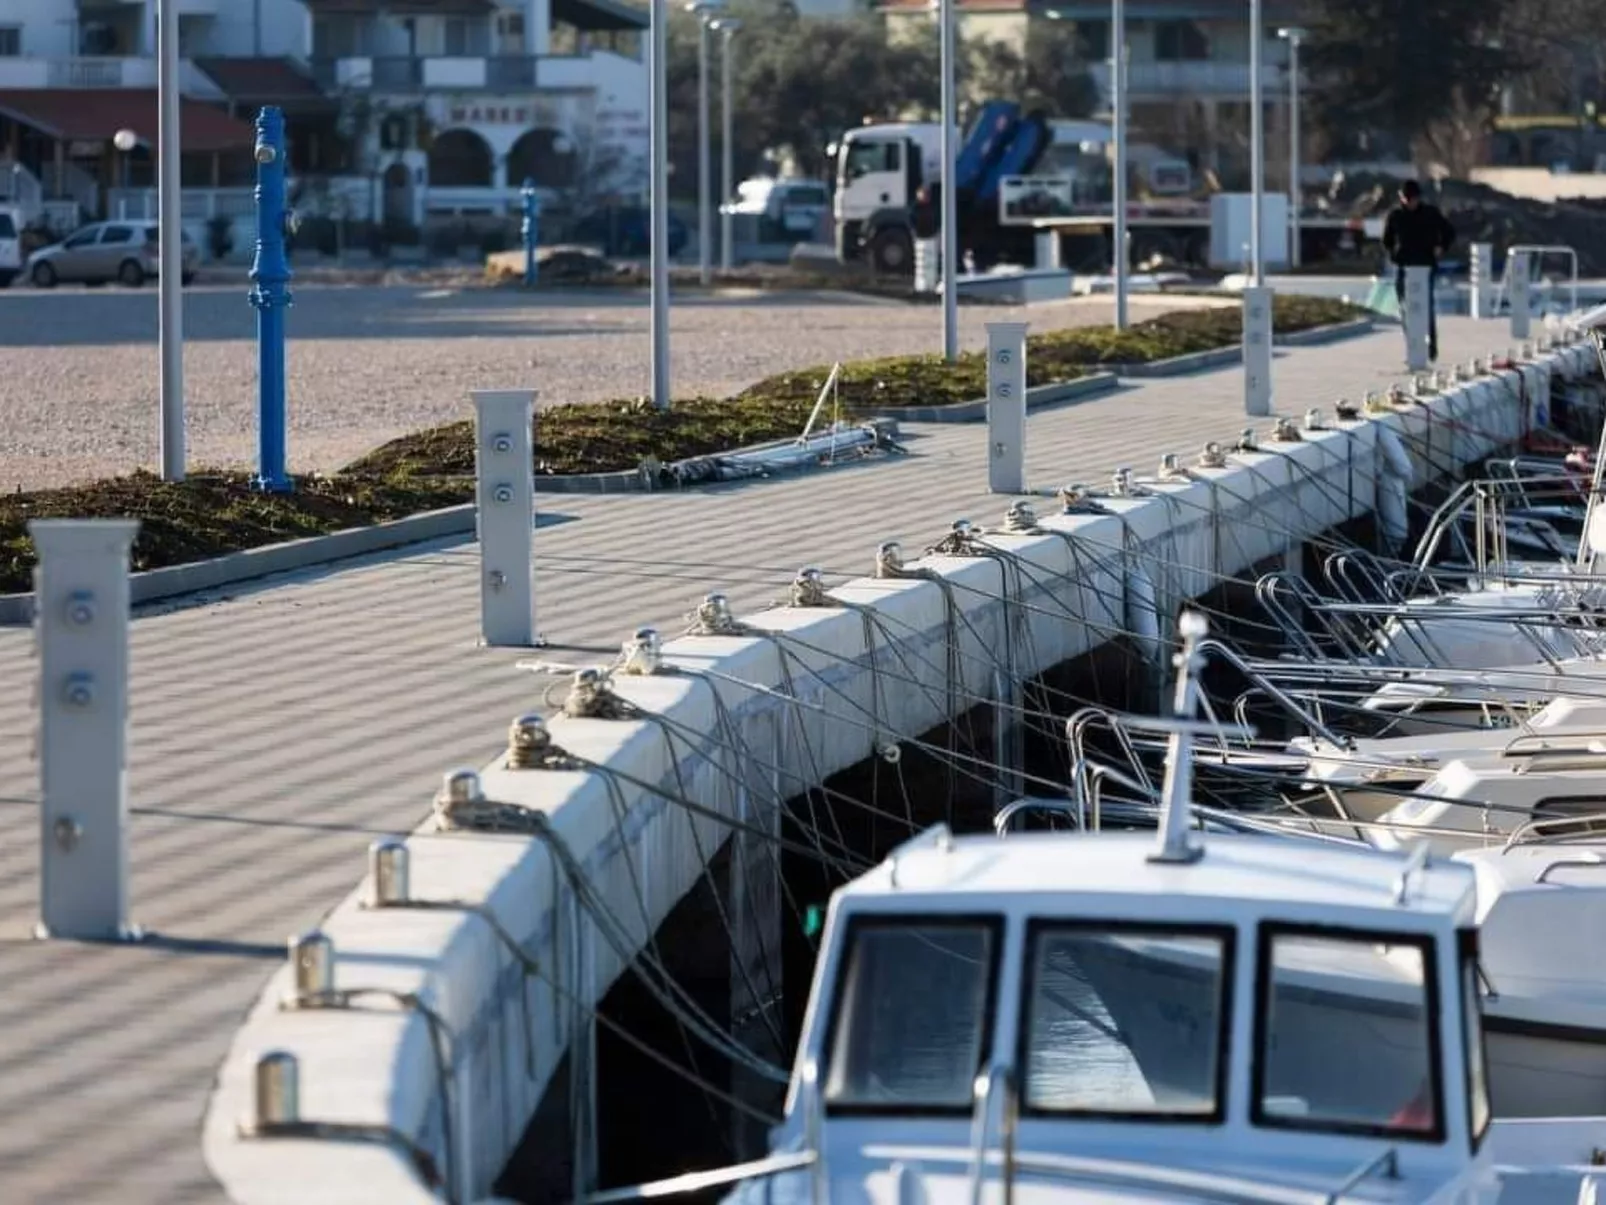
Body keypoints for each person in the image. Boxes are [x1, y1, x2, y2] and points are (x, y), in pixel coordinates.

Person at [1381, 179, 1456, 362]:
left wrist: (1441, 247)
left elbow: (1449, 232)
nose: (1409, 203)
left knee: (1426, 306)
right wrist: (1393, 254)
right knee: (1406, 308)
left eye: (1412, 199)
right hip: (1404, 267)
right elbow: (1386, 239)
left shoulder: (1430, 213)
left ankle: (1431, 344)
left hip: (1425, 266)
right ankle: (1414, 345)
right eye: (1406, 199)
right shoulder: (1396, 215)